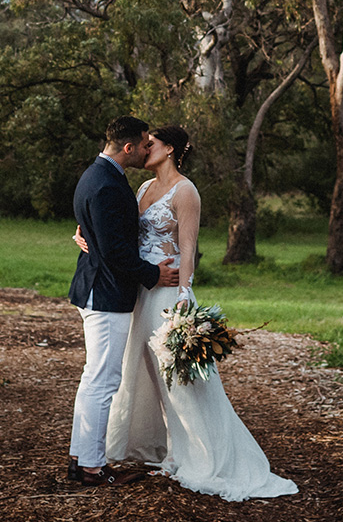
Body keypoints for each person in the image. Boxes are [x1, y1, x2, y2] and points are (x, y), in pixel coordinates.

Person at [78, 125, 297, 501]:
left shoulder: (186, 191)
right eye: (144, 143)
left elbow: (188, 249)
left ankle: (207, 455)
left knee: (181, 382)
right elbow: (117, 232)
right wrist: (86, 237)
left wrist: (183, 296)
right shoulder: (143, 189)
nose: (146, 148)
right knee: (144, 375)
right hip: (140, 293)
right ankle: (168, 449)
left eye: (153, 144)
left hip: (167, 294)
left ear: (171, 149)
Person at [68, 116, 180, 487]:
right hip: (105, 292)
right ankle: (92, 468)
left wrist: (86, 235)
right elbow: (116, 251)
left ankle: (81, 457)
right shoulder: (109, 186)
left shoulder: (96, 175)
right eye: (145, 144)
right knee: (103, 381)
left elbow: (102, 233)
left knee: (94, 379)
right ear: (128, 148)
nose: (149, 148)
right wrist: (154, 275)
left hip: (98, 287)